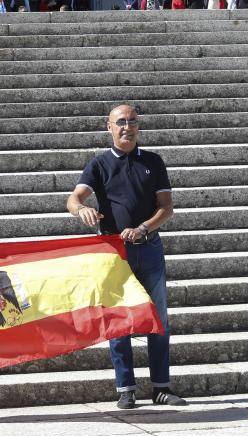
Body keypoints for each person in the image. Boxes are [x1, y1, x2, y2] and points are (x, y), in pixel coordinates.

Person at [66, 105, 187, 410]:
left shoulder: (153, 162)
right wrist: (83, 210)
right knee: (118, 320)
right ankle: (126, 388)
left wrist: (144, 228)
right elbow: (74, 198)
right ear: (108, 127)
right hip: (113, 253)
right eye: (121, 122)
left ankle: (161, 387)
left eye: (133, 122)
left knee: (158, 318)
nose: (127, 127)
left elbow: (166, 207)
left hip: (149, 247)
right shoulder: (99, 164)